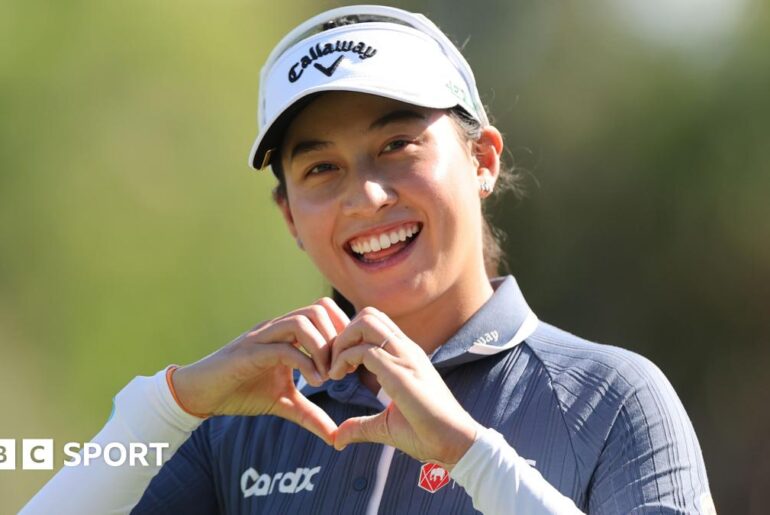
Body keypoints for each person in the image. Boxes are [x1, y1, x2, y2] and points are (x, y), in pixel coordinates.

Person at [22, 5, 715, 514]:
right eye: (321, 168)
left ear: (483, 160)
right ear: (290, 216)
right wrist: (167, 405)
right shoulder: (245, 424)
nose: (367, 196)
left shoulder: (612, 398)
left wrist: (471, 455)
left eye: (397, 146)